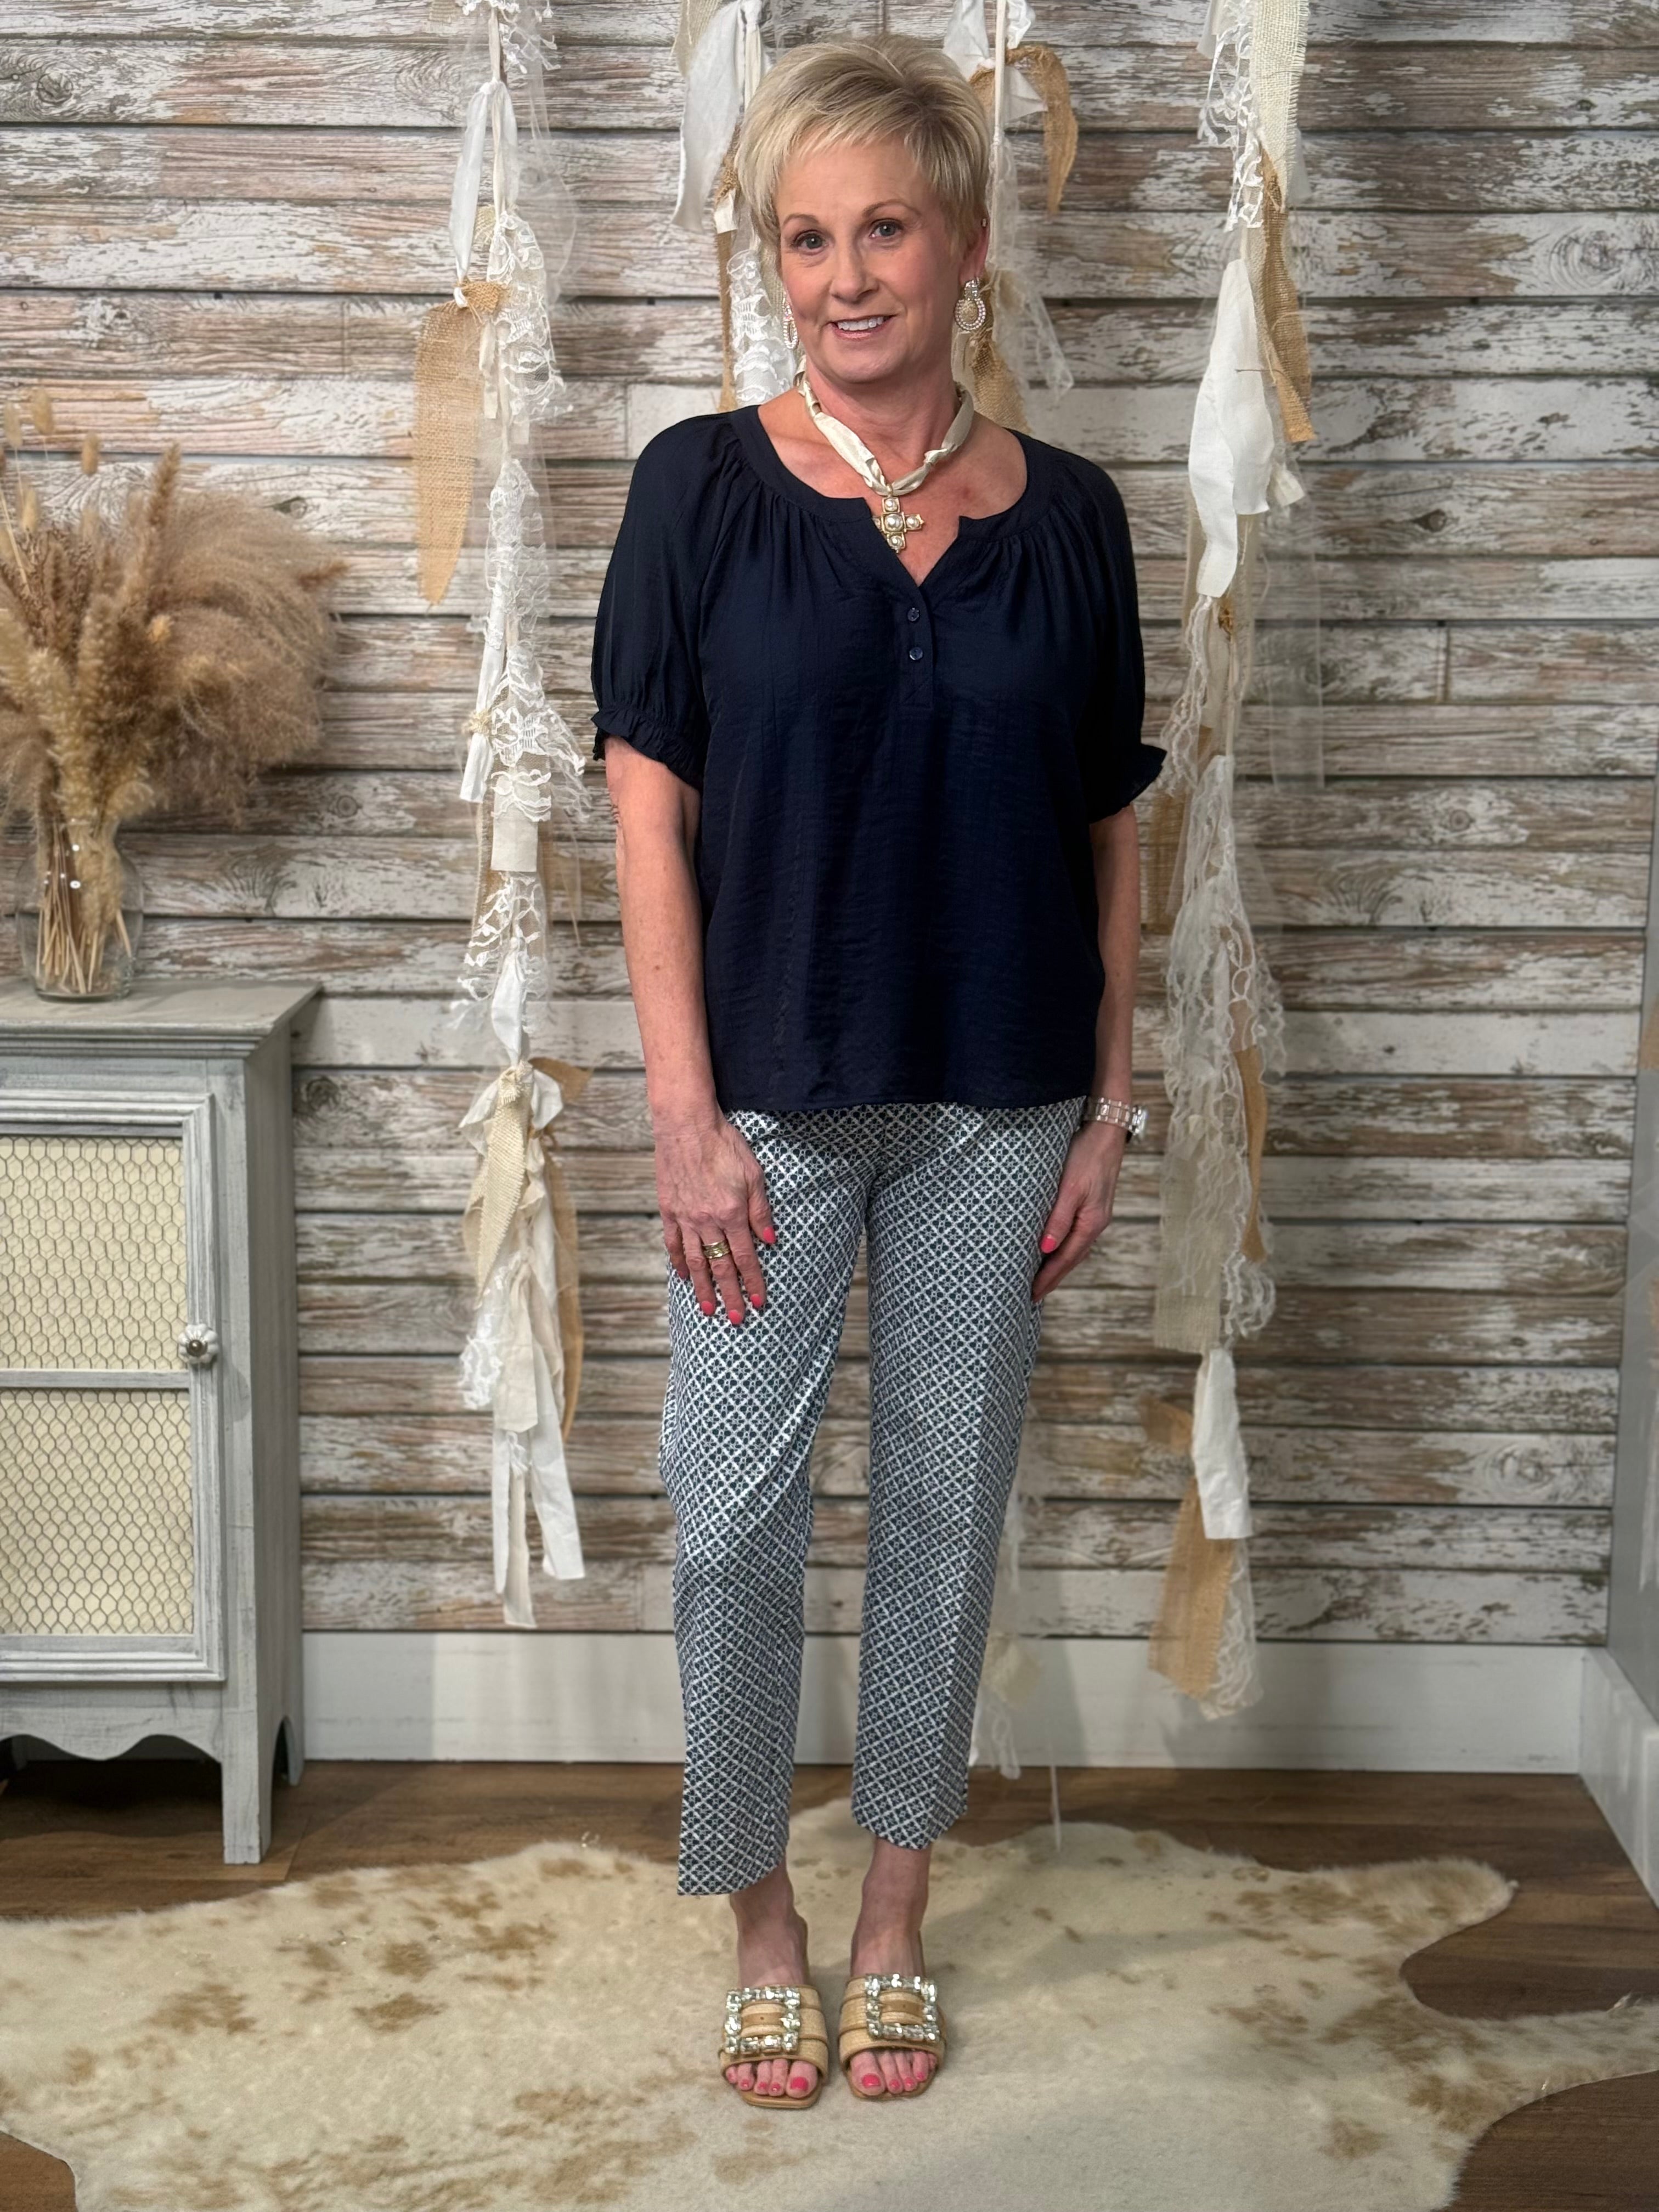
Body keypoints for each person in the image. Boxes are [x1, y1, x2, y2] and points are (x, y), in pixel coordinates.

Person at [590, 31, 1164, 2108]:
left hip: (1001, 1102)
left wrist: (1108, 1101)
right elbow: (646, 810)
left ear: (967, 247)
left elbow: (1111, 829)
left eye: (886, 230)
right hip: (765, 1096)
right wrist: (682, 1114)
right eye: (806, 237)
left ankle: (894, 1916)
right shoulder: (696, 489)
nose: (845, 276)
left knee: (942, 1512)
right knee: (734, 1521)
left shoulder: (1074, 518)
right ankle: (762, 1919)